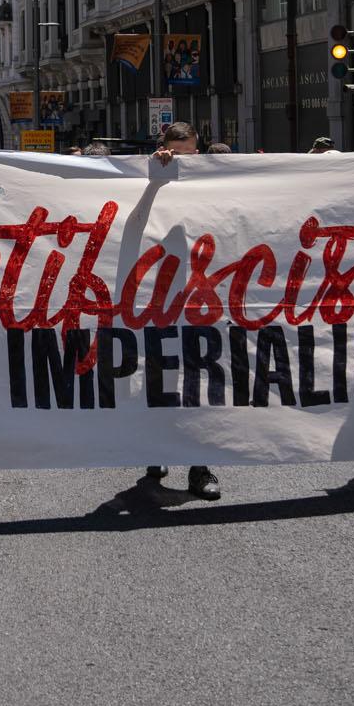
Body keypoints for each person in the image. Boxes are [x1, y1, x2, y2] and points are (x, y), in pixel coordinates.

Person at [145, 121, 221, 501]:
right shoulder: (148, 176)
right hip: (157, 294)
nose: (183, 161)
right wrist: (157, 172)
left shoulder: (212, 182)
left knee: (199, 382)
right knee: (159, 376)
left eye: (190, 154)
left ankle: (199, 466)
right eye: (175, 154)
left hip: (199, 295)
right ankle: (156, 448)